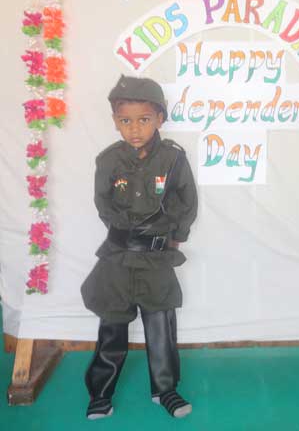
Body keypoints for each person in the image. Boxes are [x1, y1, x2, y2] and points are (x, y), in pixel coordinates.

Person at [81, 75, 198, 420]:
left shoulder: (173, 159)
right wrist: (125, 231)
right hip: (118, 258)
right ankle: (101, 393)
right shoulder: (108, 160)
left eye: (144, 119)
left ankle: (165, 390)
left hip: (157, 259)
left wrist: (175, 235)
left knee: (161, 326)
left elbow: (187, 201)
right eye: (125, 120)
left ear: (160, 118)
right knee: (112, 326)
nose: (134, 128)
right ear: (115, 121)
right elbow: (102, 203)